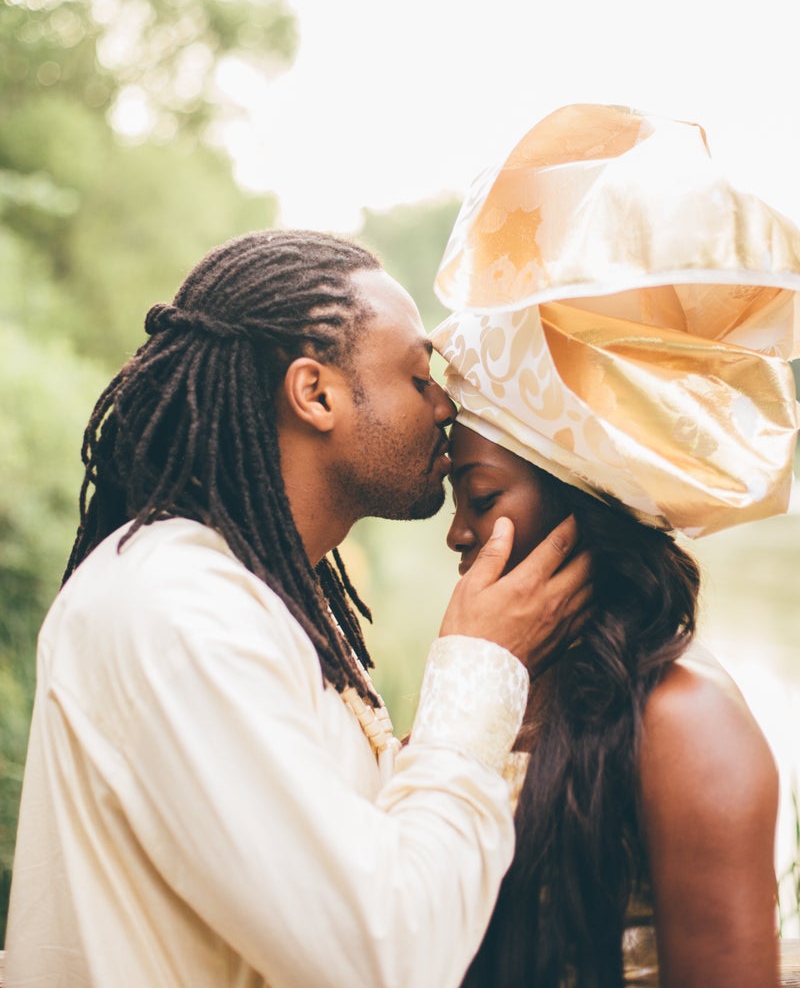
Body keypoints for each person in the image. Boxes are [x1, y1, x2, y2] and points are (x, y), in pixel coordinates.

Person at [5, 229, 590, 988]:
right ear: (316, 393)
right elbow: (382, 954)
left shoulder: (254, 597)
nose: (444, 403)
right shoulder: (177, 612)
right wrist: (477, 676)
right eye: (418, 378)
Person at [430, 103, 800, 988]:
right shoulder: (510, 674)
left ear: (580, 500)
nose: (457, 532)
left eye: (479, 496)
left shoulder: (685, 721)